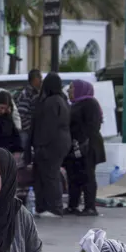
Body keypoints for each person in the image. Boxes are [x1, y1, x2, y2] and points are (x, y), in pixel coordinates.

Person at [31, 73, 71, 217]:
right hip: (61, 143)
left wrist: (39, 146)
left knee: (49, 175)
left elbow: (47, 127)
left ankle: (54, 207)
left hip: (50, 145)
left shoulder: (51, 102)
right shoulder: (62, 100)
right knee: (51, 174)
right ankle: (49, 207)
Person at [66, 79, 105, 216]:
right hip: (77, 147)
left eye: (71, 88)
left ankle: (90, 206)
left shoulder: (89, 103)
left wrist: (80, 140)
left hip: (88, 146)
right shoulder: (75, 104)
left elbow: (92, 126)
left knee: (88, 175)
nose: (69, 91)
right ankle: (73, 205)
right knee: (74, 176)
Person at [16, 69, 43, 151]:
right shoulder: (27, 94)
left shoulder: (35, 93)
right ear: (35, 79)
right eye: (40, 78)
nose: (42, 80)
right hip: (27, 132)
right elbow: (21, 114)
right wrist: (30, 128)